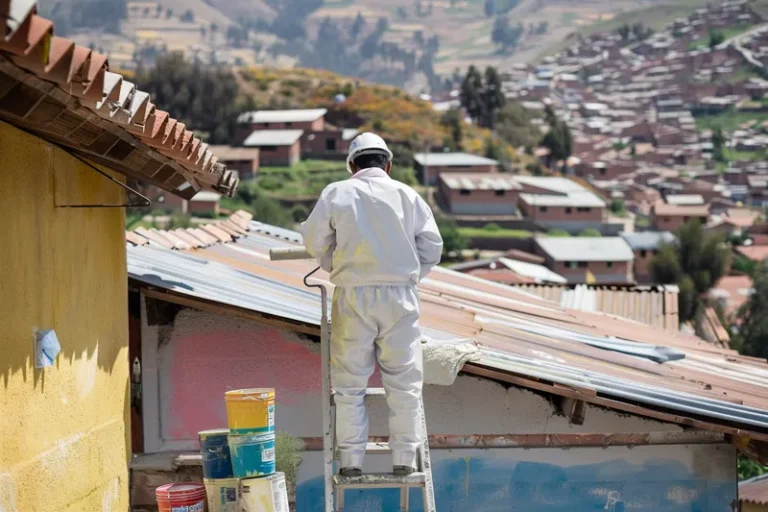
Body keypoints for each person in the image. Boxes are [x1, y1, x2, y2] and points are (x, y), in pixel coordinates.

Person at [301, 132, 443, 477]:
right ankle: (405, 460)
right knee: (405, 383)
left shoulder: (337, 193)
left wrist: (337, 265)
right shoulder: (408, 195)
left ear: (352, 165)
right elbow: (432, 248)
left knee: (349, 384)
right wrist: (407, 276)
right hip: (400, 297)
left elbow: (312, 240)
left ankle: (350, 462)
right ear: (388, 164)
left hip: (353, 296)